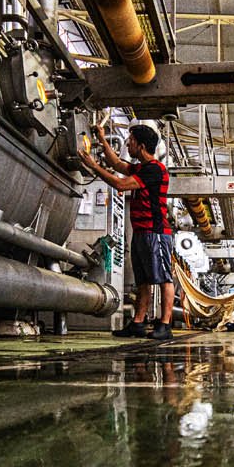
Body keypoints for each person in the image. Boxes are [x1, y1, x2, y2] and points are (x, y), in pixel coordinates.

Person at [79, 122, 175, 340]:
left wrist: (94, 167)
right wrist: (102, 138)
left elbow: (121, 185)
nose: (127, 145)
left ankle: (165, 324)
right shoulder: (141, 167)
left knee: (163, 278)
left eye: (130, 141)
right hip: (141, 231)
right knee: (143, 280)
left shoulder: (155, 169)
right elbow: (116, 163)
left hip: (156, 232)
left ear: (140, 146)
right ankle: (139, 323)